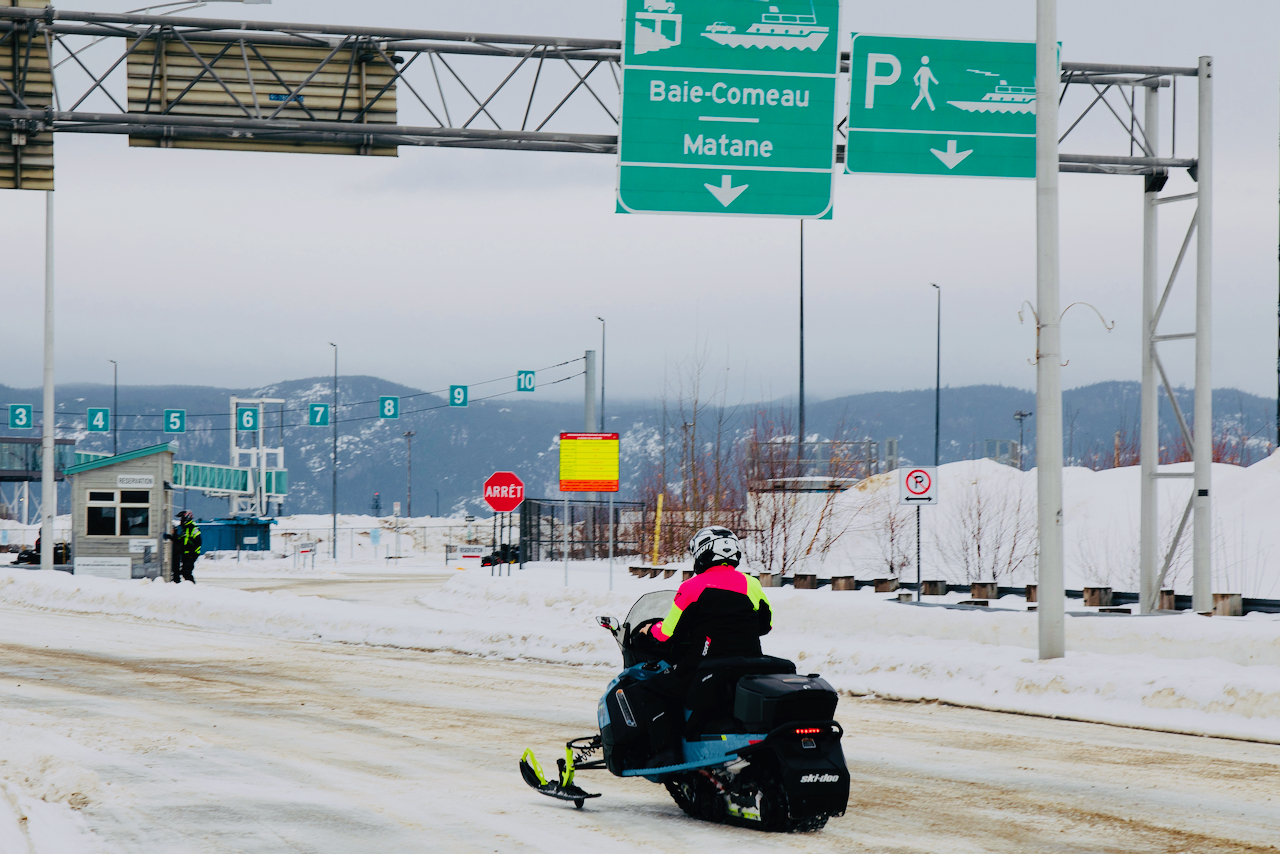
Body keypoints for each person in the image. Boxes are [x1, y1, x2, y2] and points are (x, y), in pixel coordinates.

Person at [635, 525, 773, 765]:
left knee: (652, 688)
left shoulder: (692, 587)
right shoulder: (752, 585)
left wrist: (648, 630)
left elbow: (667, 633)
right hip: (750, 667)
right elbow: (765, 625)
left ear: (701, 554)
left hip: (706, 667)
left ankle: (665, 752)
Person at [167, 511, 201, 584]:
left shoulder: (193, 528)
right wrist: (170, 537)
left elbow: (198, 542)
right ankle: (187, 585)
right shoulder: (185, 529)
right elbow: (181, 541)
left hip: (191, 554)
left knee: (186, 572)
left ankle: (192, 586)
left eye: (182, 519)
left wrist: (192, 553)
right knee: (183, 571)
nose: (180, 521)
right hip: (185, 553)